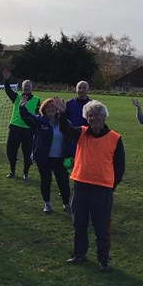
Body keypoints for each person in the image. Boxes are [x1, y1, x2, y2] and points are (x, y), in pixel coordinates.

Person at [52, 97, 125, 272]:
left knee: (101, 227)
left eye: (97, 115)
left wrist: (111, 185)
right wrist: (62, 114)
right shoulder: (81, 132)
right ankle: (79, 254)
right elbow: (65, 129)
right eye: (90, 115)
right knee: (79, 224)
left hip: (102, 190)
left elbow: (119, 166)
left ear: (104, 116)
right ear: (87, 117)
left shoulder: (115, 138)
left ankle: (103, 259)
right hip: (81, 186)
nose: (94, 118)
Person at [19, 97, 71, 214]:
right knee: (46, 181)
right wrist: (22, 108)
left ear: (57, 109)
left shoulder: (64, 121)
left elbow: (71, 134)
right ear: (43, 109)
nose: (50, 109)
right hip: (44, 158)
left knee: (63, 182)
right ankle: (47, 204)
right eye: (48, 107)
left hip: (61, 159)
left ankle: (66, 203)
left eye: (53, 106)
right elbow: (28, 118)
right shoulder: (40, 121)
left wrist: (63, 113)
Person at [2, 70, 38, 180]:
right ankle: (12, 171)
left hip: (28, 130)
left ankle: (25, 172)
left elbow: (38, 115)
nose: (26, 88)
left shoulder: (37, 100)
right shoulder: (17, 97)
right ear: (22, 88)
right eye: (25, 86)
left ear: (31, 87)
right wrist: (7, 80)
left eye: (28, 86)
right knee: (11, 151)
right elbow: (8, 90)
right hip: (15, 128)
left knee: (27, 153)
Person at [64, 81, 91, 158]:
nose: (81, 90)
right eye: (79, 88)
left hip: (86, 137)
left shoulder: (92, 105)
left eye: (84, 88)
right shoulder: (69, 103)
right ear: (76, 90)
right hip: (71, 138)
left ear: (88, 90)